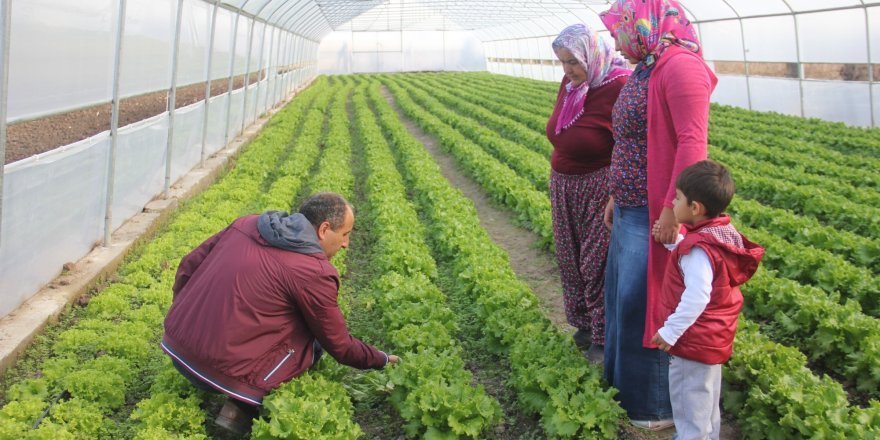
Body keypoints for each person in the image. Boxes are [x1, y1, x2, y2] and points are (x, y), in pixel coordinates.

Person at [161, 192, 399, 434]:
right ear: (324, 229)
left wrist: (185, 319)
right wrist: (380, 359)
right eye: (345, 234)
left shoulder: (246, 224)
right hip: (224, 376)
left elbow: (188, 266)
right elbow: (339, 345)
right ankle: (240, 406)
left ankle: (232, 397)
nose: (347, 243)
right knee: (313, 340)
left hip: (176, 349)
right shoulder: (313, 271)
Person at [599, 0, 718, 430]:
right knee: (622, 301)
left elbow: (692, 144)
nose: (615, 39)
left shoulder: (680, 66)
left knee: (649, 305)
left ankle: (653, 408)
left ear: (642, 23)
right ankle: (623, 390)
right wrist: (616, 192)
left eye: (618, 30)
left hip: (655, 212)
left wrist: (672, 209)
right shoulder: (647, 65)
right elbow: (631, 140)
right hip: (631, 206)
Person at [650, 160, 764, 439]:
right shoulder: (721, 235)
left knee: (690, 409)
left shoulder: (698, 251)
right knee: (706, 404)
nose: (673, 203)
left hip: (693, 342)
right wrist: (675, 244)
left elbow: (698, 295)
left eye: (677, 198)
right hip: (713, 339)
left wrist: (671, 330)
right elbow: (709, 266)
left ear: (695, 208)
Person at [546, 24, 630, 363]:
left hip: (598, 185)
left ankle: (601, 332)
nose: (567, 70)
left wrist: (617, 189)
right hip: (564, 183)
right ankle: (582, 323)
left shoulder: (618, 85)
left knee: (595, 262)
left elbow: (628, 142)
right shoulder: (570, 86)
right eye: (562, 62)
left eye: (573, 62)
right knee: (569, 258)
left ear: (592, 57)